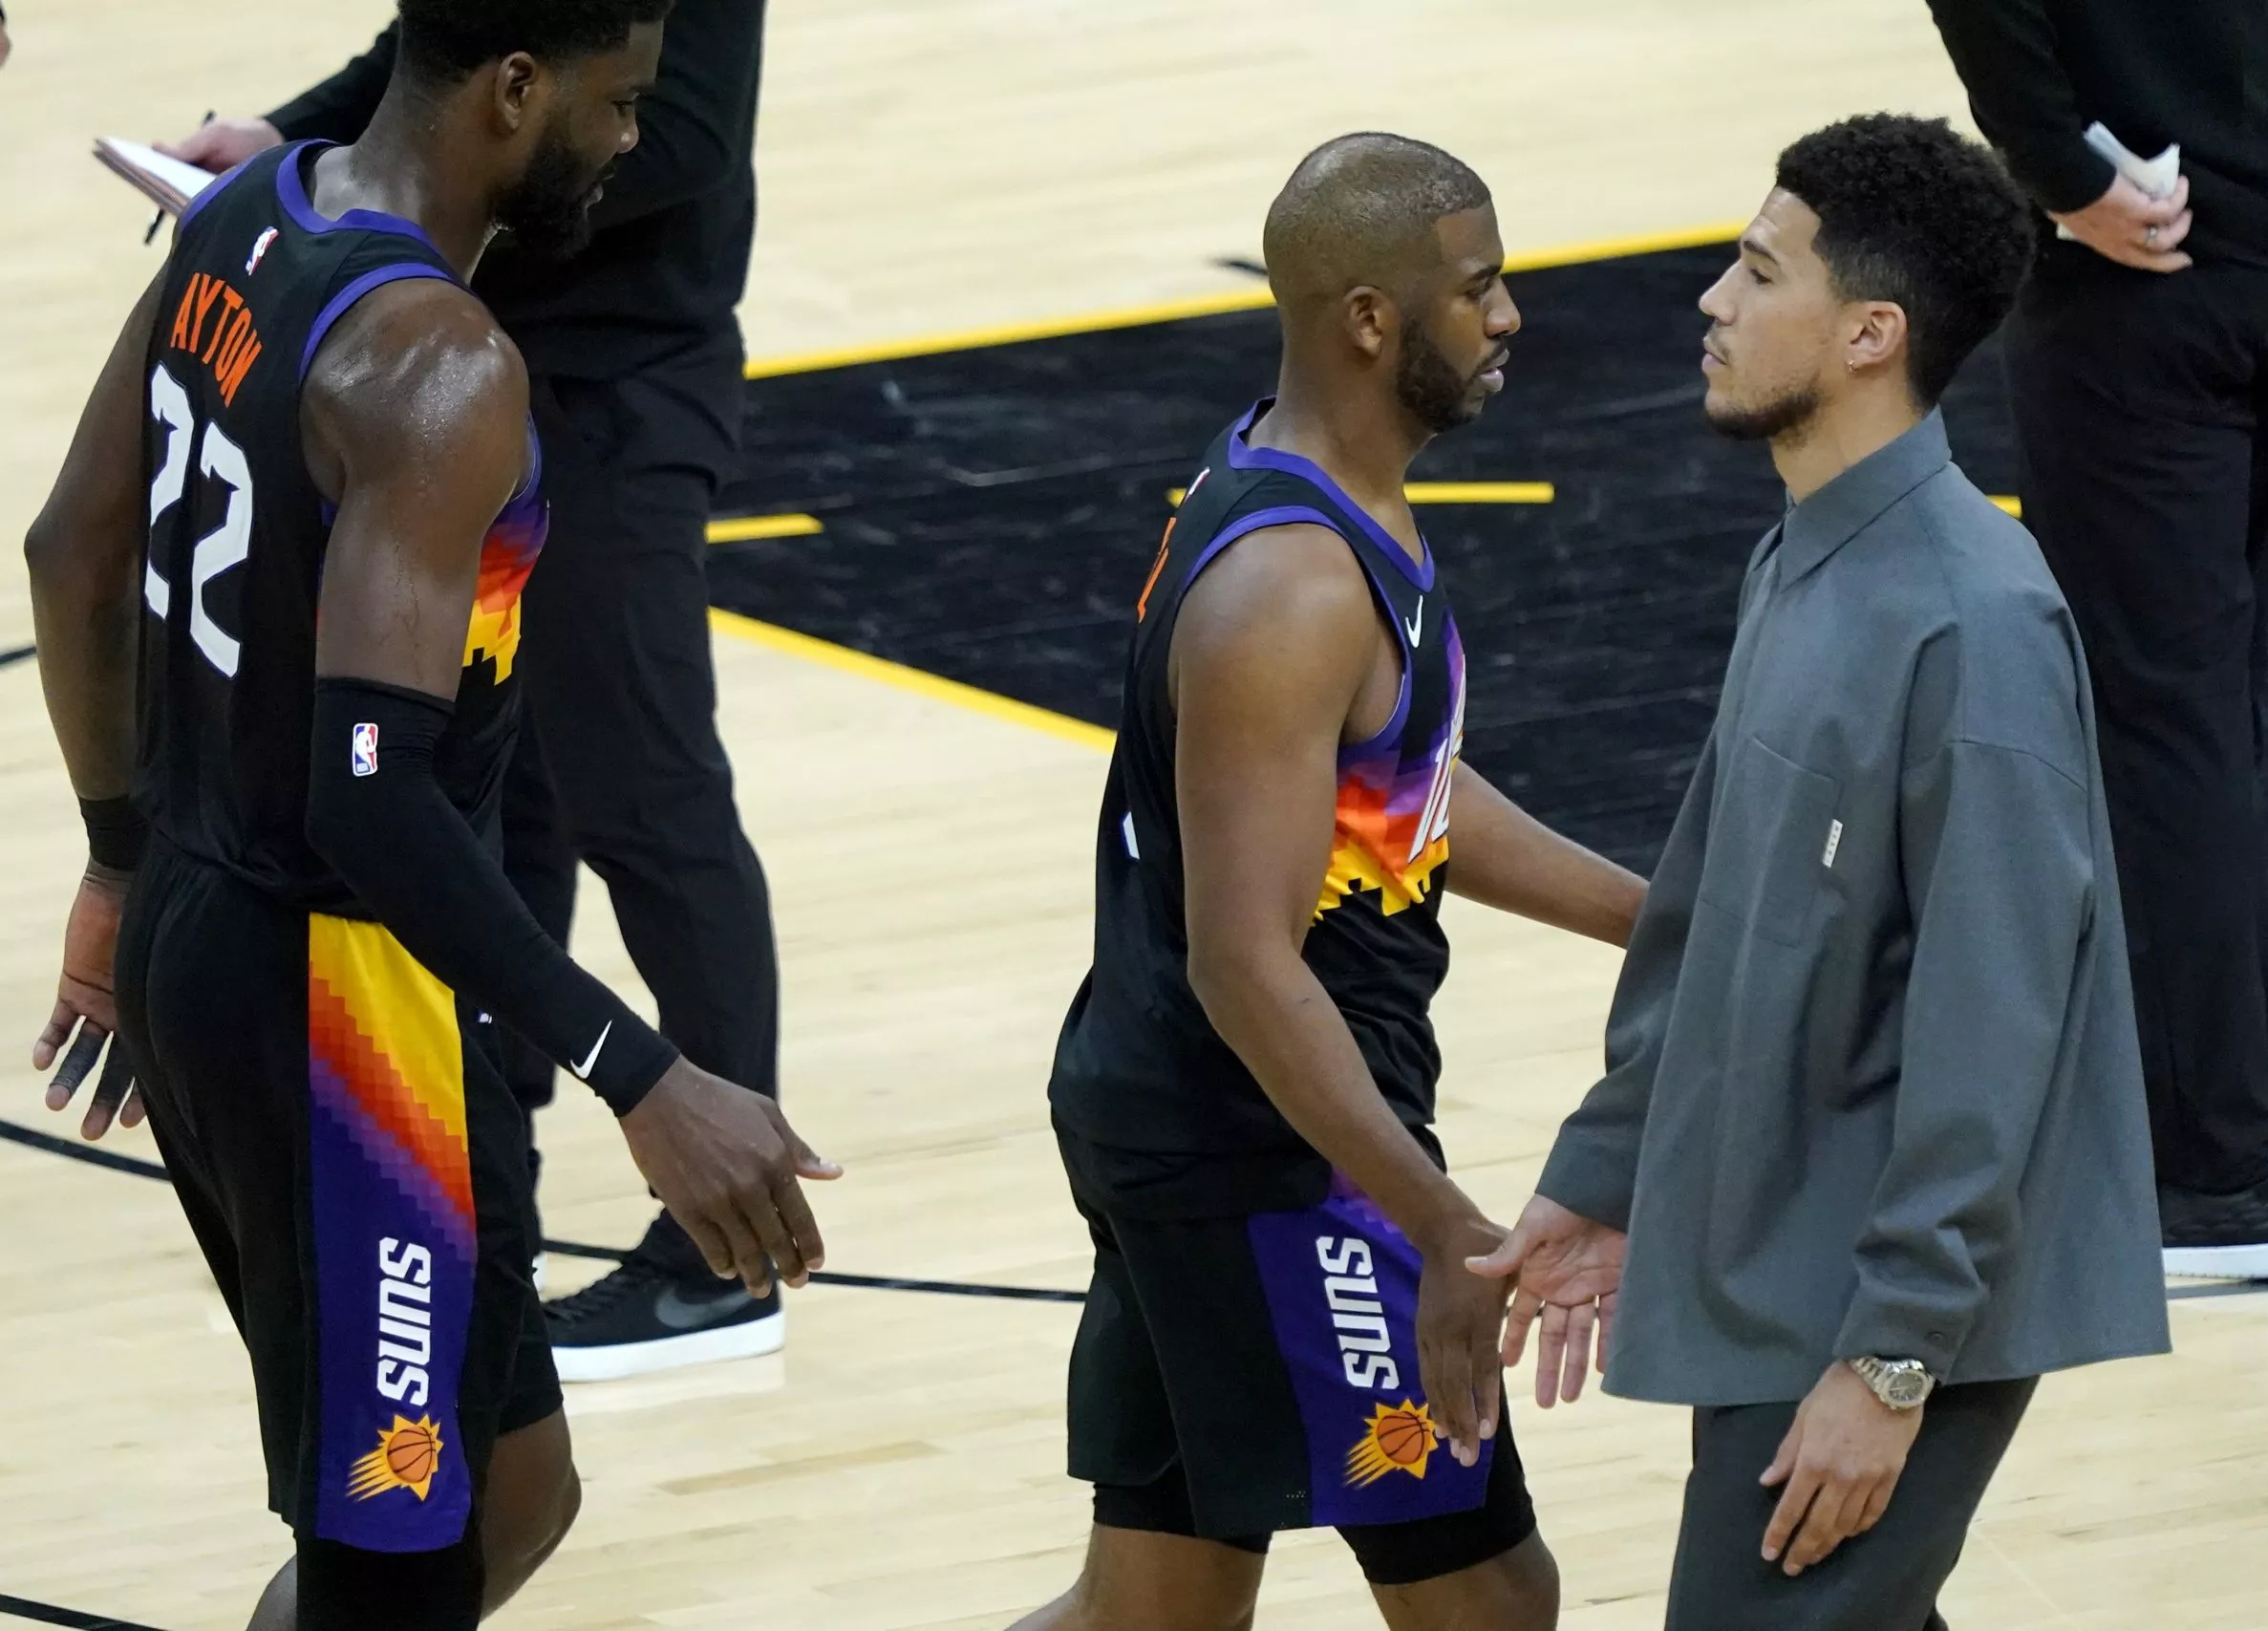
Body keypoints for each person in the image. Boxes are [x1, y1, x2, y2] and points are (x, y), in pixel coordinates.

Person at [22, 3, 835, 1624]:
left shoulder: (251, 214)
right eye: (614, 107)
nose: (628, 145)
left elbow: (68, 551)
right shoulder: (444, 368)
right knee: (390, 1562)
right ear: (515, 89)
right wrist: (645, 1072)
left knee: (517, 1486)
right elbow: (372, 795)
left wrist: (120, 860)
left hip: (222, 907)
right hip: (331, 1000)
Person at [1473, 115, 2169, 1630]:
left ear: (1870, 333)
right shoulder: (1801, 556)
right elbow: (1715, 912)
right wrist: (1606, 1171)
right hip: (1796, 1247)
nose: (1714, 300)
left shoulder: (1977, 625)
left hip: (1904, 1299)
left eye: (1756, 267)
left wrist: (1895, 1356)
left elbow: (2000, 1027)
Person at [1013, 133, 1647, 1631]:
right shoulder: (1289, 588)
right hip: (1265, 1156)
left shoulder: (1311, 483)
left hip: (1198, 1118)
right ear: (1369, 318)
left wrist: (1646, 914)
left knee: (1152, 1612)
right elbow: (1246, 961)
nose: (1507, 316)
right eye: (1476, 286)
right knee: (1489, 1601)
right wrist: (1435, 1224)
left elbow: (1396, 792)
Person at [165, 0, 782, 1372]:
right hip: (467, 358)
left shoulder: (592, 122)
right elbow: (432, 46)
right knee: (513, 784)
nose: (604, 122)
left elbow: (676, 139)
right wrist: (293, 134)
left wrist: (451, 189)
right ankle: (481, 1148)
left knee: (648, 792)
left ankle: (725, 1247)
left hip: (616, 379)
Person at [1924, 0, 2268, 1280]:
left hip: (2152, 250)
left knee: (2156, 708)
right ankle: (2154, 1129)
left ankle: (2212, 1185)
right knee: (2203, 694)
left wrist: (2064, 169)